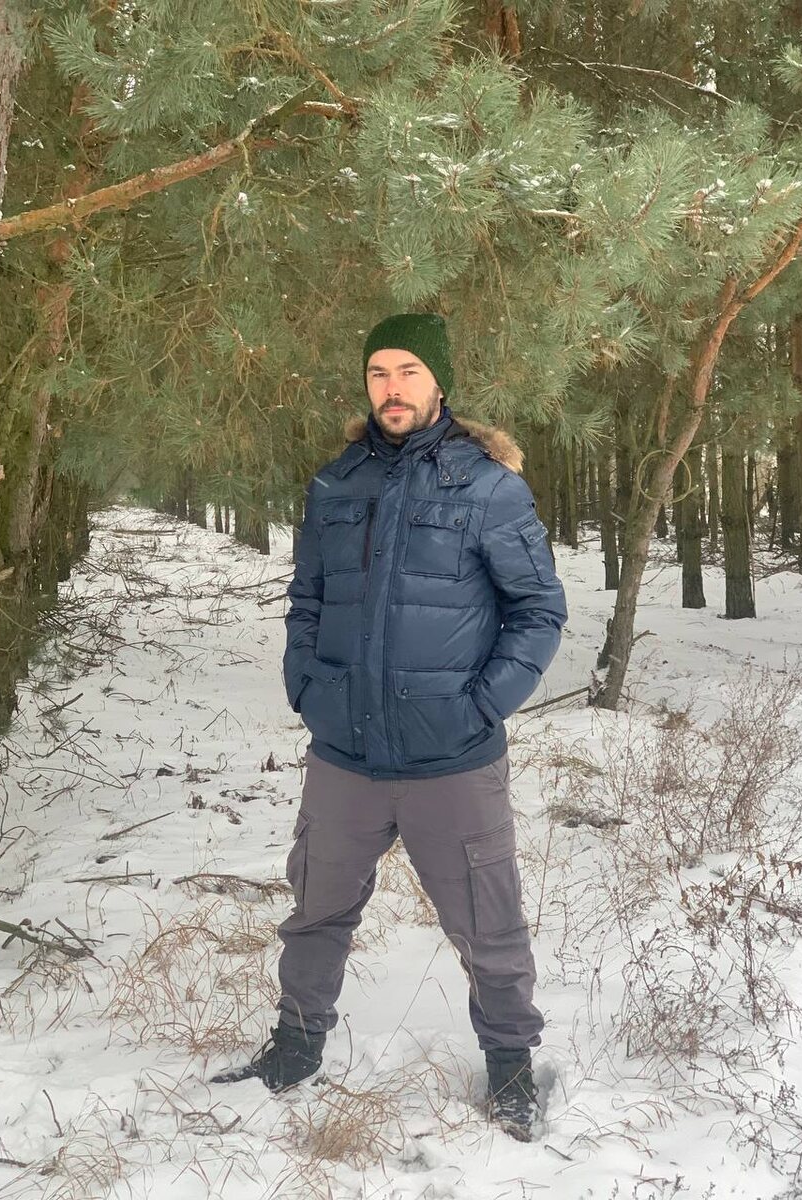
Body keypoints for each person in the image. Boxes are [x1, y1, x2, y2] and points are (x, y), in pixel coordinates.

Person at [212, 313, 568, 1140]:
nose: (392, 388)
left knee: (487, 923)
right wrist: (308, 686)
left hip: (452, 758)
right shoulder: (337, 483)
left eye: (408, 371)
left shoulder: (490, 487)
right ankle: (295, 1046)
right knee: (315, 908)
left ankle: (511, 1065)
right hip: (346, 756)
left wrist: (479, 705)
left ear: (439, 382)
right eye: (379, 373)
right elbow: (308, 599)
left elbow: (538, 610)